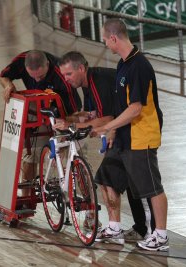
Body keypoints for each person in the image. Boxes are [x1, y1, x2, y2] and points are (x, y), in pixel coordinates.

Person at [55, 52, 155, 237]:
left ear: (81, 68)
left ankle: (152, 230)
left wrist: (72, 125)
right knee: (112, 178)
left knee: (135, 182)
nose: (65, 79)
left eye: (68, 74)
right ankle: (137, 228)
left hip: (136, 131)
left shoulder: (98, 82)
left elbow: (106, 118)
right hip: (122, 132)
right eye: (63, 75)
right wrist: (76, 119)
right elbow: (94, 115)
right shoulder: (87, 84)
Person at [92, 18, 169, 251]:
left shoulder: (139, 66)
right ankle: (114, 228)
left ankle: (161, 236)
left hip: (141, 136)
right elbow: (121, 105)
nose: (105, 44)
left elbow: (136, 108)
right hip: (124, 136)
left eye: (105, 39)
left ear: (114, 38)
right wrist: (113, 130)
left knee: (152, 187)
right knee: (106, 176)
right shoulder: (122, 64)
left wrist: (106, 126)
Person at [0, 50, 83, 195]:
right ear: (25, 68)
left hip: (65, 112)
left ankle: (88, 206)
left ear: (48, 65)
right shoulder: (22, 60)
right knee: (32, 154)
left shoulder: (61, 76)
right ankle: (27, 199)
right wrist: (8, 85)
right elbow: (3, 76)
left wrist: (65, 128)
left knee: (77, 156)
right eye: (33, 77)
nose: (37, 80)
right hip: (39, 105)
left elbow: (76, 112)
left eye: (42, 76)